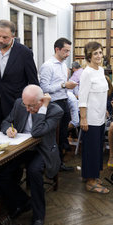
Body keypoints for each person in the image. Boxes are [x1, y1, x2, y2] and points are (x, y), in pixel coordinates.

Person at [0, 85, 63, 225]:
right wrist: (8, 129)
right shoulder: (19, 103)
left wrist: (43, 109)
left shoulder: (55, 111)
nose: (26, 109)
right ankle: (22, 201)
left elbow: (37, 132)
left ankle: (39, 216)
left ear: (41, 101)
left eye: (31, 106)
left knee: (34, 171)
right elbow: (6, 121)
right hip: (22, 148)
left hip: (42, 149)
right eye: (25, 105)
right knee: (2, 171)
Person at [39, 38, 77, 172]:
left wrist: (68, 87)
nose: (68, 54)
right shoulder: (48, 65)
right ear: (57, 49)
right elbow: (44, 88)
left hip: (64, 101)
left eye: (69, 51)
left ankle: (59, 164)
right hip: (53, 104)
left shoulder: (63, 65)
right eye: (65, 51)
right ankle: (50, 165)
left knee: (62, 134)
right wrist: (63, 85)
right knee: (53, 136)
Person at [79, 41, 110, 194]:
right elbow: (82, 98)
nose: (99, 56)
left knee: (98, 149)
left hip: (100, 117)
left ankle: (92, 175)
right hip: (90, 118)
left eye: (100, 52)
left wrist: (104, 110)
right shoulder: (86, 73)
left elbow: (102, 93)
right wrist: (83, 118)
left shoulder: (100, 70)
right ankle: (90, 182)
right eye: (95, 53)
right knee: (91, 150)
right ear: (89, 56)